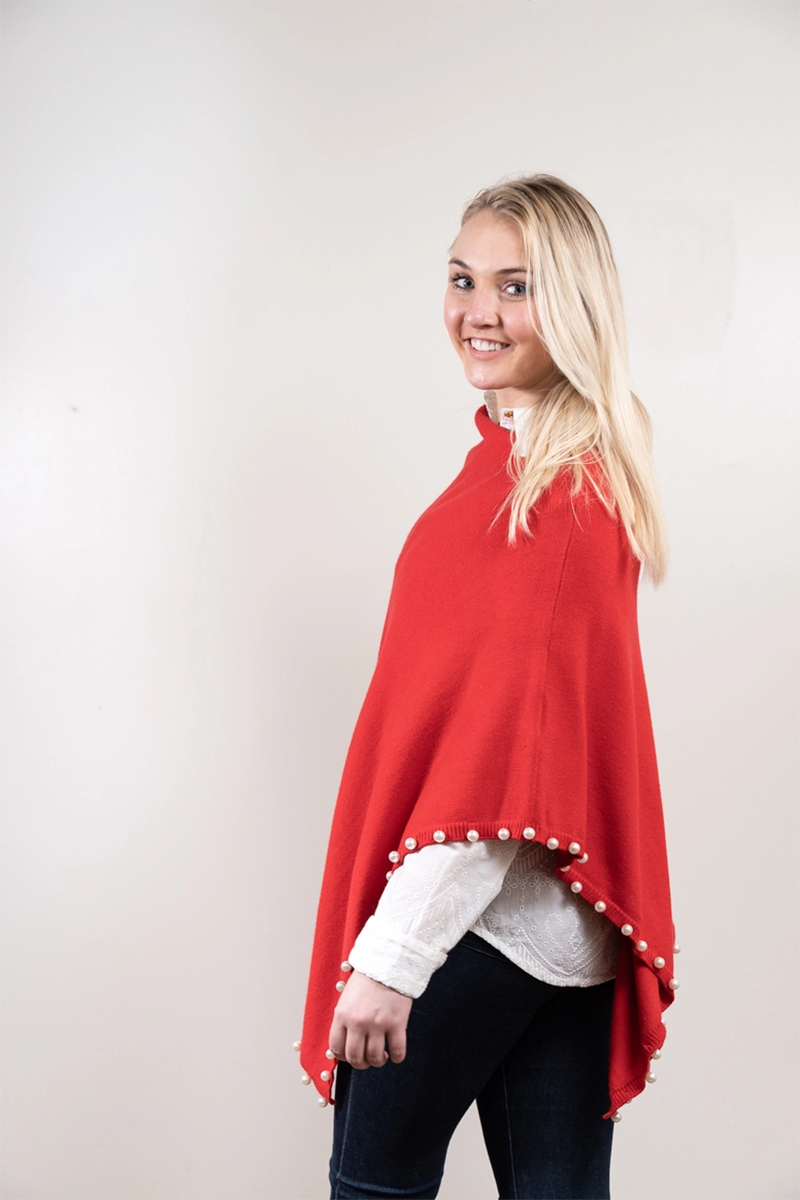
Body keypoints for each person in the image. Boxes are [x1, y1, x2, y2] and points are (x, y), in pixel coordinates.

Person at [297, 174, 678, 1200]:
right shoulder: (526, 471)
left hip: (477, 922)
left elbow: (506, 762)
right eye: (462, 279)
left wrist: (394, 957)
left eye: (514, 287)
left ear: (573, 305)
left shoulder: (555, 500)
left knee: (375, 1183)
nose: (475, 311)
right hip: (559, 931)